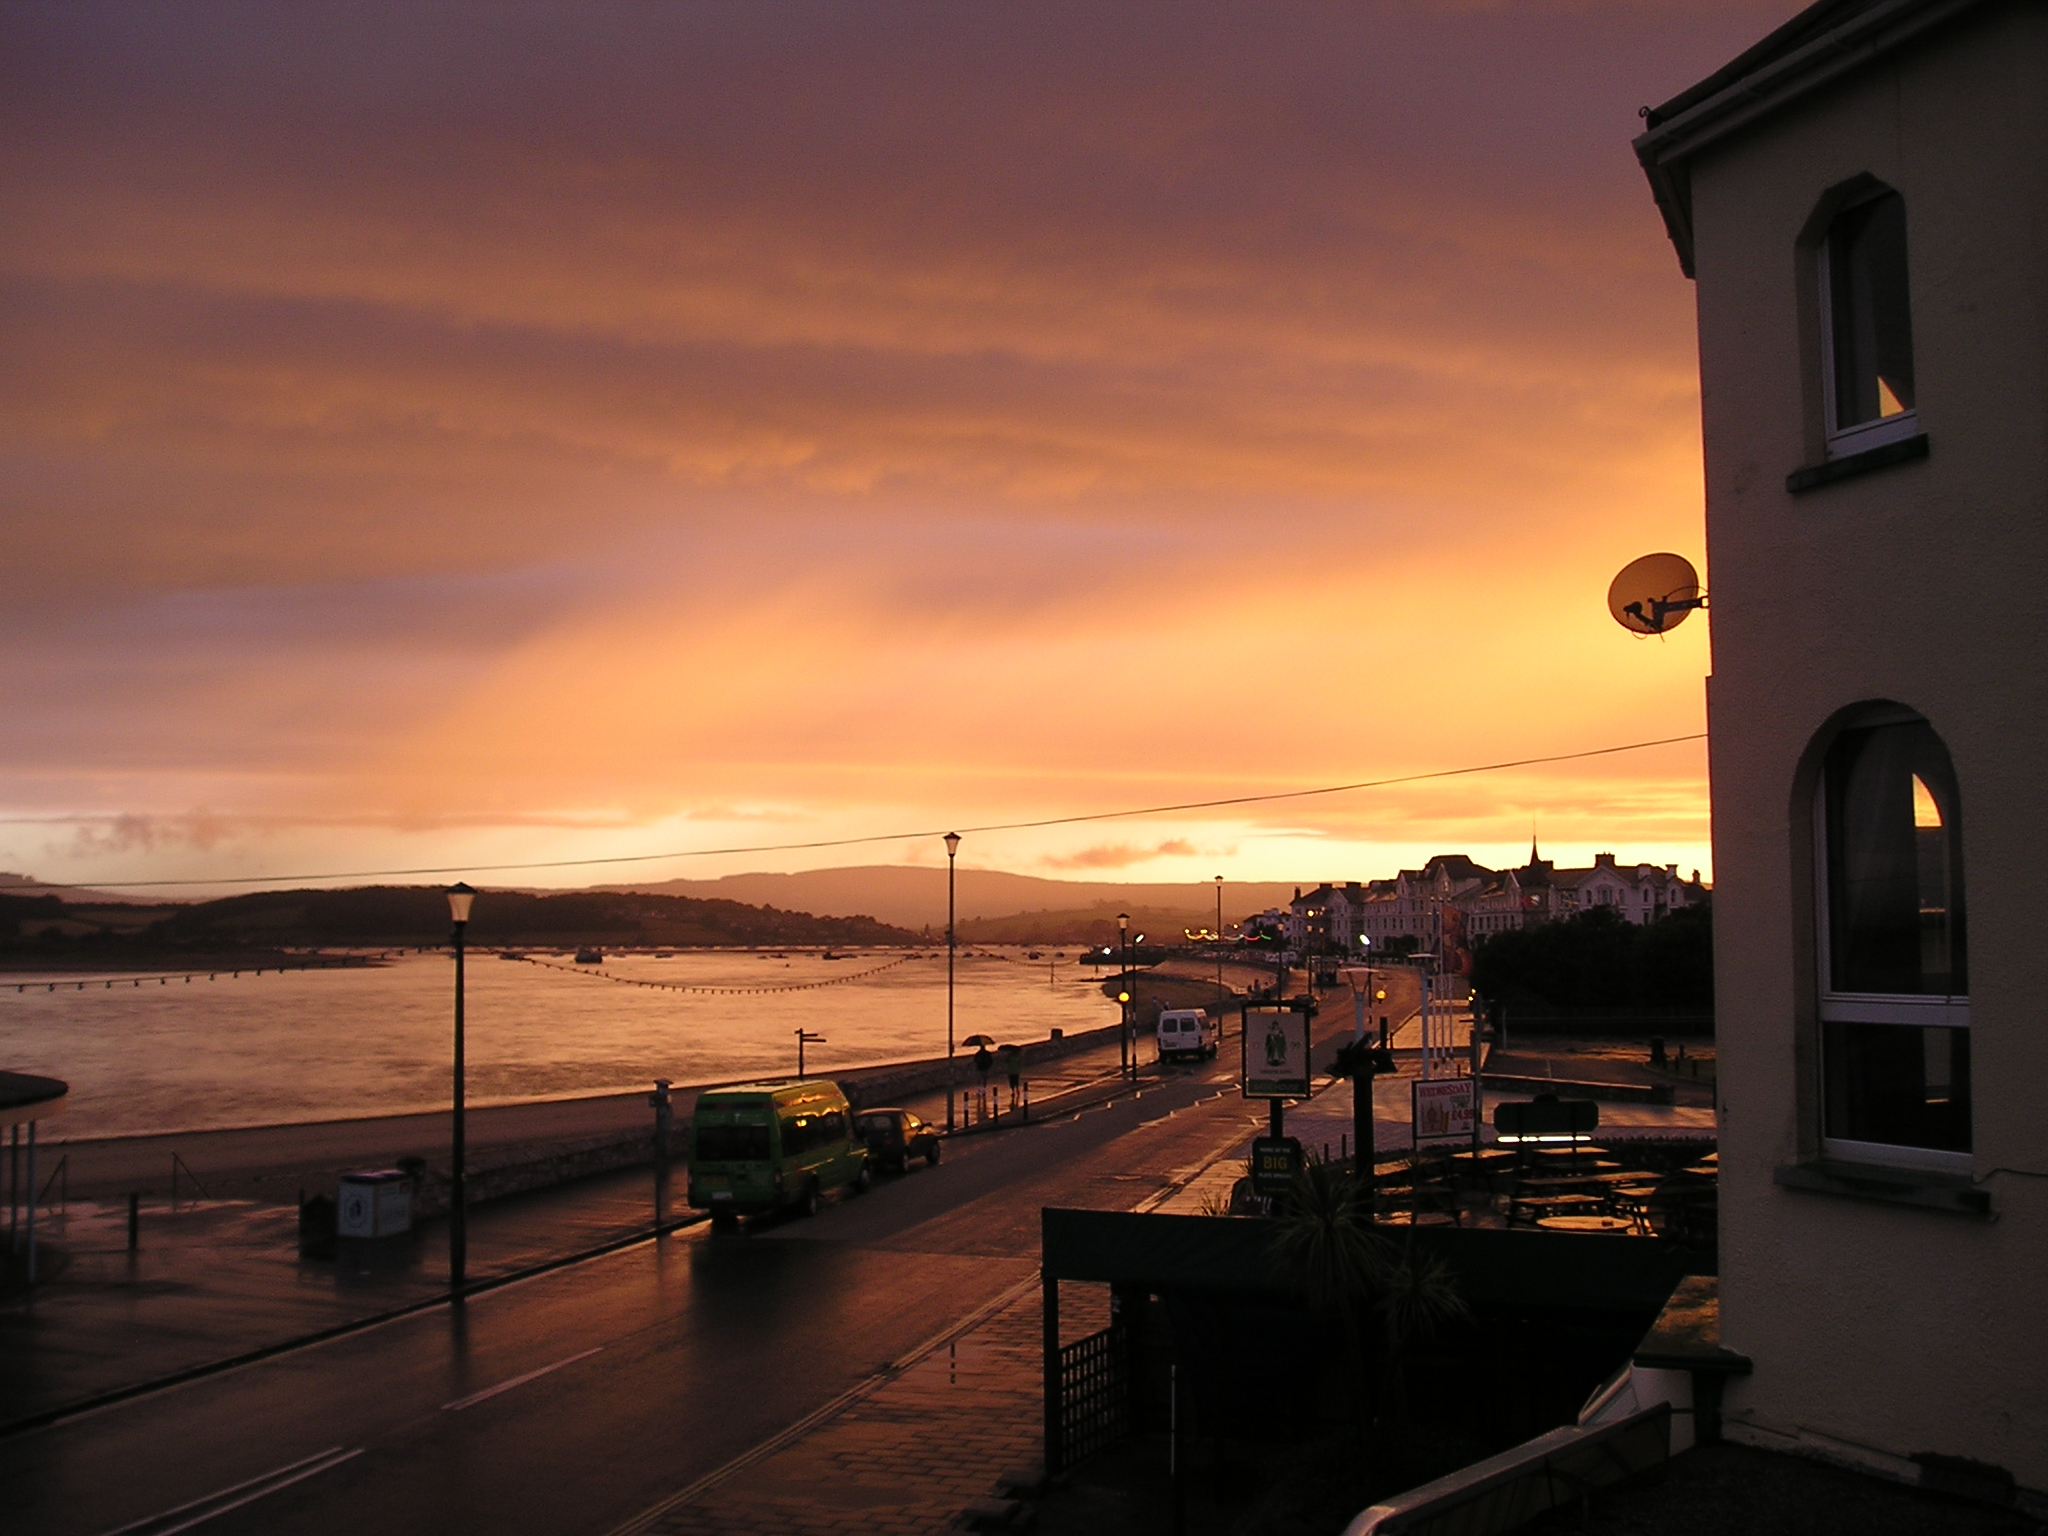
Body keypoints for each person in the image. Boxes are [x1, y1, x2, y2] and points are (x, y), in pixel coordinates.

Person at [1002, 1043, 1023, 1110]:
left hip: (1011, 1071)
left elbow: (1006, 1062)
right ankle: (1016, 1090)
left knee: (1012, 1081)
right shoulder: (1018, 1057)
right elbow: (1020, 1063)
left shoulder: (1010, 1057)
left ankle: (1013, 1091)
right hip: (1015, 1070)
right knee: (1016, 1081)